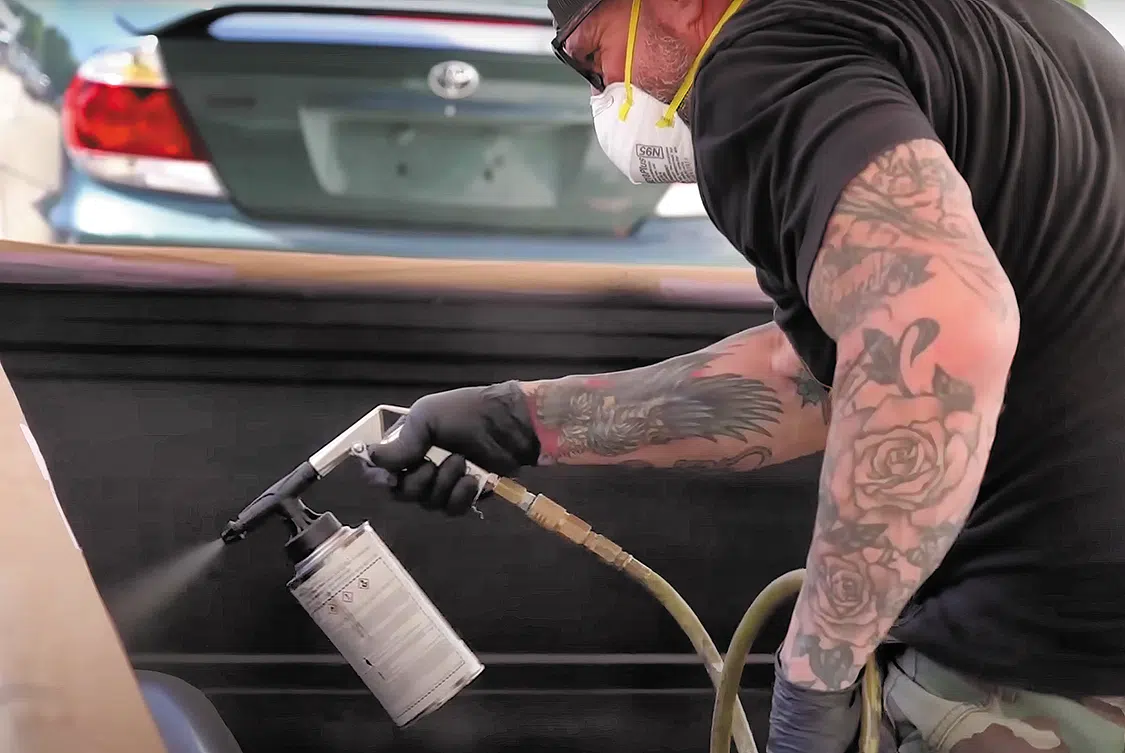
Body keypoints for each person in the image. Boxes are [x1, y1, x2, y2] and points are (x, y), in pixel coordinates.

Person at [364, 0, 1125, 750]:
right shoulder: (1009, 28)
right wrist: (521, 420)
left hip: (1044, 666)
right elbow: (826, 372)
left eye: (594, 57)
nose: (610, 95)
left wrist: (816, 671)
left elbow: (939, 333)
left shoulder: (757, 61)